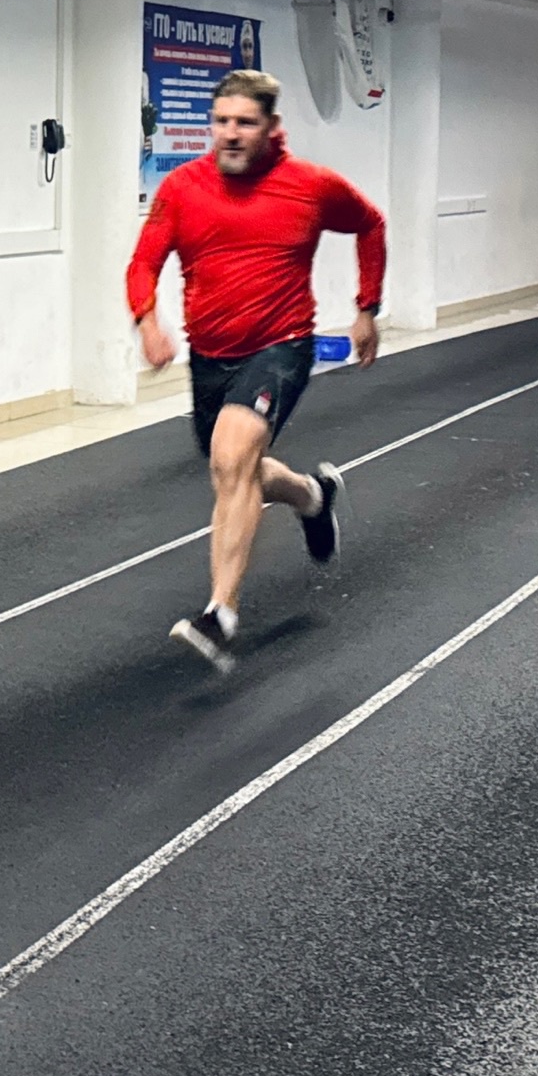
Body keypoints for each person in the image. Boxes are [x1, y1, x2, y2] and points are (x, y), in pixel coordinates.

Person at [127, 68, 385, 671]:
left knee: (234, 452)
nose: (231, 134)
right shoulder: (182, 188)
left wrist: (366, 308)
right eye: (221, 122)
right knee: (233, 470)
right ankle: (312, 496)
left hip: (280, 345)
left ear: (272, 127)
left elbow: (370, 224)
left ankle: (220, 614)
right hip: (210, 354)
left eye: (245, 123)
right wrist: (147, 321)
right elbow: (143, 262)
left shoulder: (311, 186)